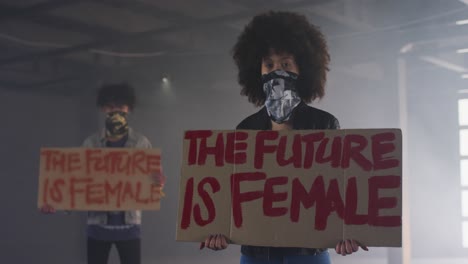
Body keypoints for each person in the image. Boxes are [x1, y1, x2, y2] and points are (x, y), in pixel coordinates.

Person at [202, 11, 368, 263]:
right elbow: (234, 194)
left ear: (303, 69)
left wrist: (347, 232)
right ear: (257, 70)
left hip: (307, 252)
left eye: (286, 64)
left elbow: (339, 188)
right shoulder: (245, 129)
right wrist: (219, 230)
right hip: (257, 253)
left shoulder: (324, 124)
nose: (277, 71)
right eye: (269, 64)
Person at [41, 83, 164, 264]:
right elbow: (77, 182)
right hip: (98, 228)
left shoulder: (141, 143)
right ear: (103, 109)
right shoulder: (91, 143)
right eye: (111, 107)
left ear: (128, 109)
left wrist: (158, 183)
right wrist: (55, 202)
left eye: (121, 107)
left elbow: (154, 185)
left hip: (130, 227)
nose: (116, 111)